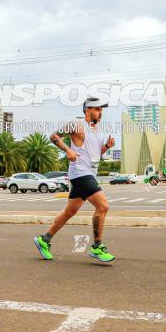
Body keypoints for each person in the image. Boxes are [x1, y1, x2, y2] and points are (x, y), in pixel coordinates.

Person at [34, 96, 115, 262]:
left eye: (102, 110)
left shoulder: (98, 131)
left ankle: (44, 239)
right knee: (103, 206)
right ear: (88, 110)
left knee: (70, 211)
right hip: (80, 173)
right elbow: (54, 136)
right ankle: (97, 247)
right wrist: (67, 150)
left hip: (88, 174)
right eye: (98, 109)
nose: (101, 113)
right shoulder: (76, 124)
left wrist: (106, 147)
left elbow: (97, 155)